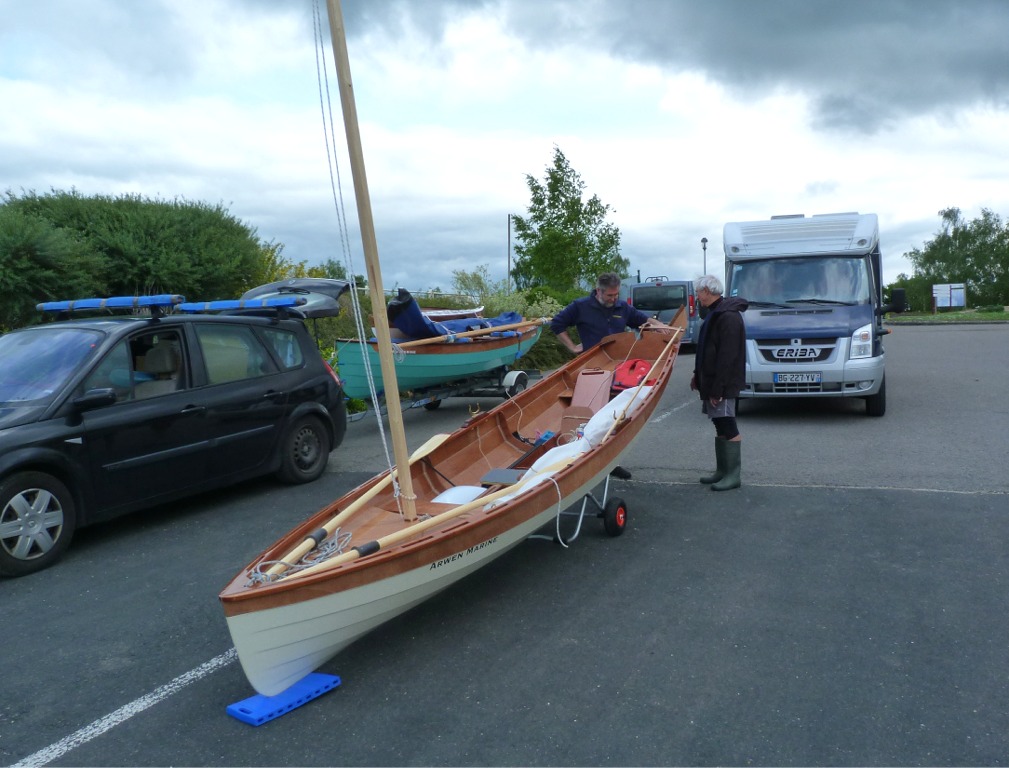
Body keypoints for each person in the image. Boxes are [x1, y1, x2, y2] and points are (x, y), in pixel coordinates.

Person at [690, 274, 748, 491]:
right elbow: (707, 349)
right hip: (712, 380)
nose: (697, 296)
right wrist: (698, 375)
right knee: (719, 423)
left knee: (727, 423)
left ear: (707, 291)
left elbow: (727, 356)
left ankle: (733, 476)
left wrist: (718, 388)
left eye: (698, 292)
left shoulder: (728, 317)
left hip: (722, 382)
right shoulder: (716, 313)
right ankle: (722, 471)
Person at [550, 272, 667, 355]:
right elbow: (557, 324)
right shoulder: (580, 306)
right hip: (592, 361)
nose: (614, 298)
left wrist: (658, 324)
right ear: (598, 291)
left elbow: (643, 320)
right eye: (610, 295)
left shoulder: (623, 307)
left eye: (616, 294)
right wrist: (572, 347)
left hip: (618, 360)